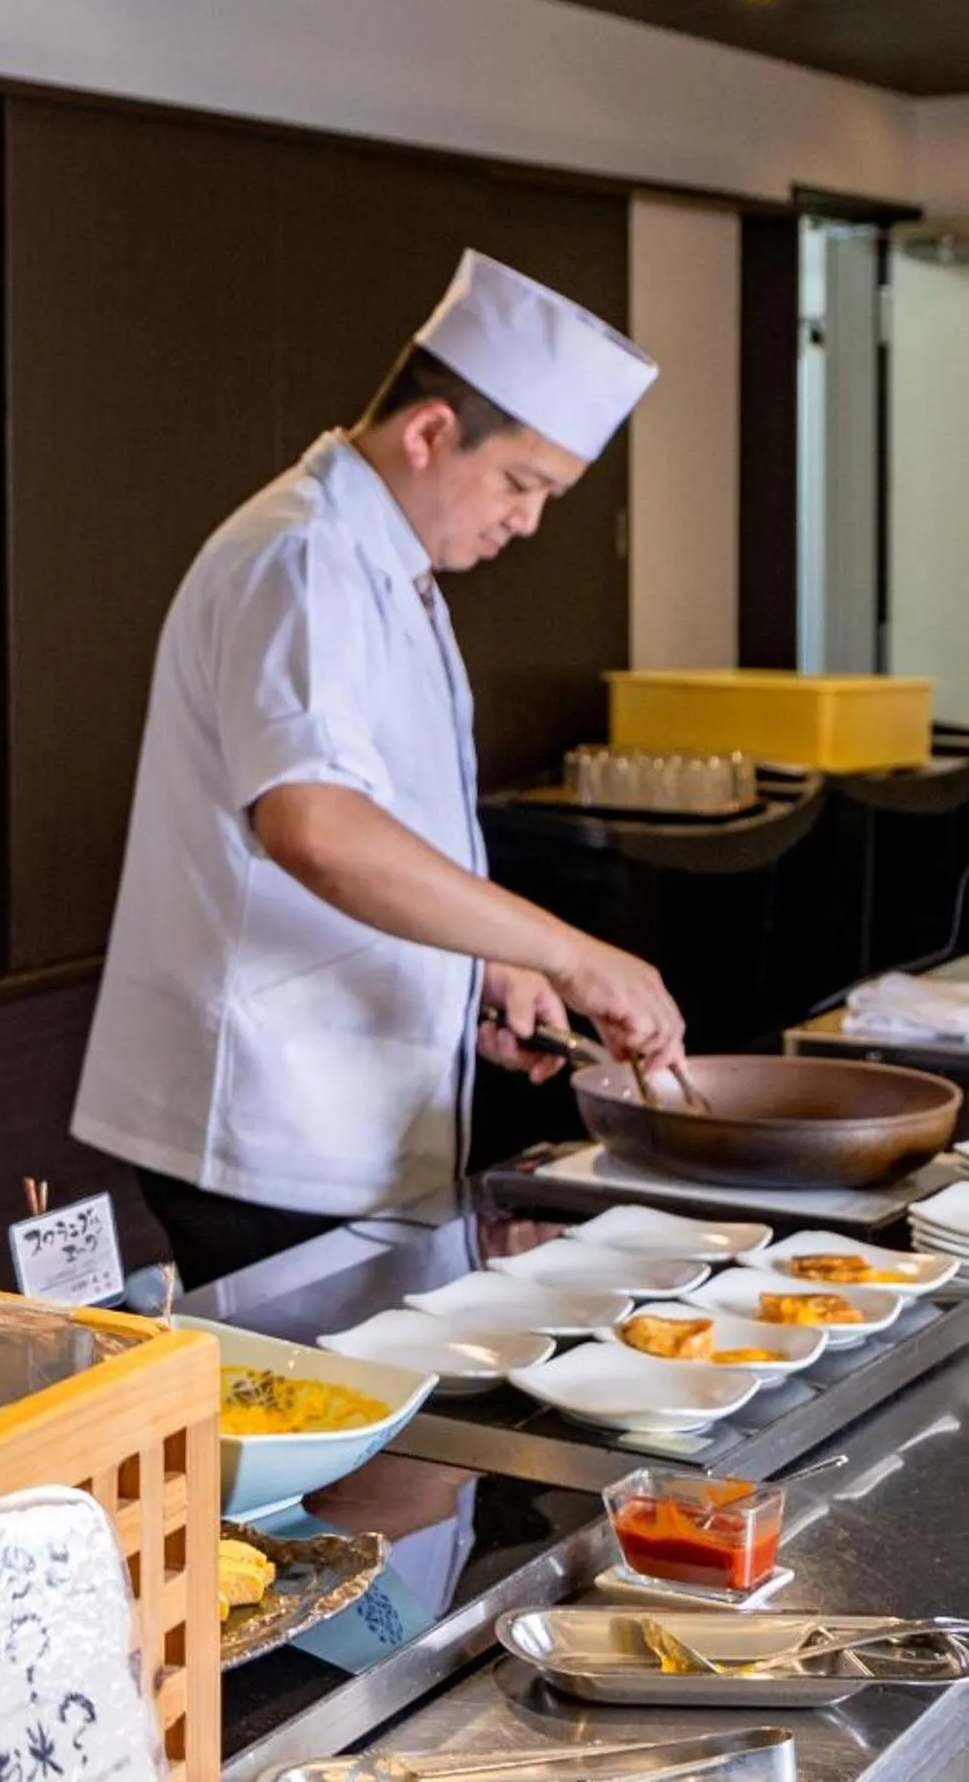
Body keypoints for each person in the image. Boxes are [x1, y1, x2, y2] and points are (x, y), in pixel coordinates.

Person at [69, 251, 688, 1287]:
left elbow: (384, 820)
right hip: (271, 1116)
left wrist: (485, 967)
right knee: (328, 1432)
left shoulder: (382, 564)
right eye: (521, 484)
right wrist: (579, 955)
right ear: (432, 432)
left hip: (338, 1106)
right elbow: (315, 828)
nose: (527, 521)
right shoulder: (304, 554)